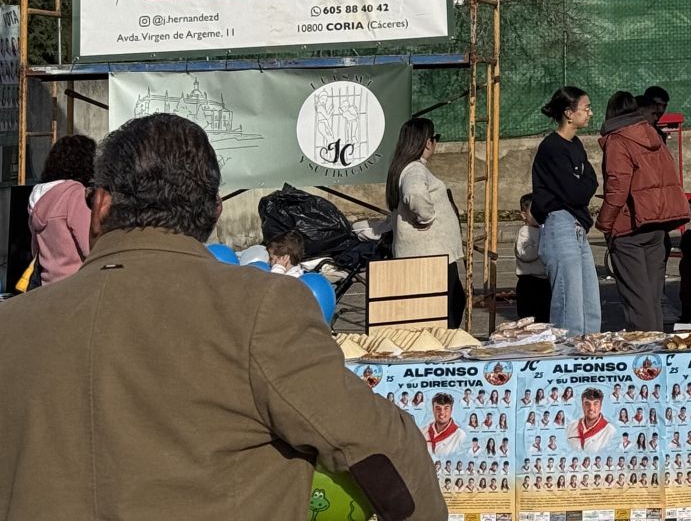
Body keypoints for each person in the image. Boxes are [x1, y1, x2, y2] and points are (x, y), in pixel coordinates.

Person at [0, 113, 445, 519]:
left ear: (100, 206)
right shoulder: (259, 310)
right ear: (213, 214)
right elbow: (383, 452)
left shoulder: (12, 326)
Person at [599, 90, 690, 332]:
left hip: (630, 226)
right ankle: (657, 348)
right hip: (658, 224)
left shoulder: (618, 141)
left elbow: (617, 186)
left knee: (637, 299)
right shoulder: (653, 135)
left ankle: (644, 357)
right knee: (652, 296)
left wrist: (604, 223)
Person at [532, 86, 601, 335]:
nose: (590, 113)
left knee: (588, 297)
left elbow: (591, 180)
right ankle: (567, 353)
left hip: (578, 225)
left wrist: (583, 185)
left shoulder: (576, 144)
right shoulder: (552, 147)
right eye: (586, 108)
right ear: (569, 113)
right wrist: (582, 186)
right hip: (559, 223)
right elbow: (575, 192)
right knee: (568, 298)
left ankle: (590, 345)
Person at [386, 117, 467, 327]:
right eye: (434, 138)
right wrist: (427, 217)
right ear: (426, 142)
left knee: (451, 301)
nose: (434, 143)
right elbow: (414, 193)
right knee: (445, 308)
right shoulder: (414, 168)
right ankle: (443, 350)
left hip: (431, 253)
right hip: (431, 254)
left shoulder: (405, 167)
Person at [27, 133, 95, 286]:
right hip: (77, 285)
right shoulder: (74, 194)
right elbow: (90, 247)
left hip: (47, 286)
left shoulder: (38, 197)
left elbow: (34, 249)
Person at [514, 193, 550, 322]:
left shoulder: (543, 229)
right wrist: (541, 244)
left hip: (545, 280)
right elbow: (525, 254)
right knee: (529, 317)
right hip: (529, 281)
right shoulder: (525, 232)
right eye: (534, 212)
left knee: (545, 316)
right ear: (524, 215)